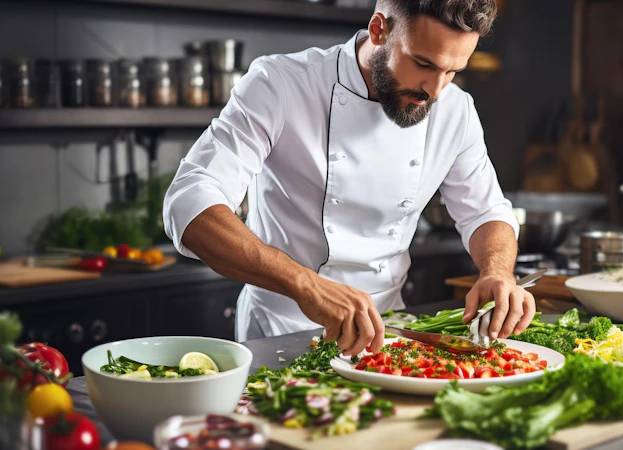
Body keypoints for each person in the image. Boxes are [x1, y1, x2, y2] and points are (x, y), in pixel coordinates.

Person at [163, 0, 535, 354]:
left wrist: (497, 272)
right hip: (283, 328)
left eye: (453, 71)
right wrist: (306, 284)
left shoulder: (456, 110)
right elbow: (189, 202)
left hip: (389, 332)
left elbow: (485, 212)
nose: (435, 90)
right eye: (423, 63)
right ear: (378, 30)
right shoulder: (281, 84)